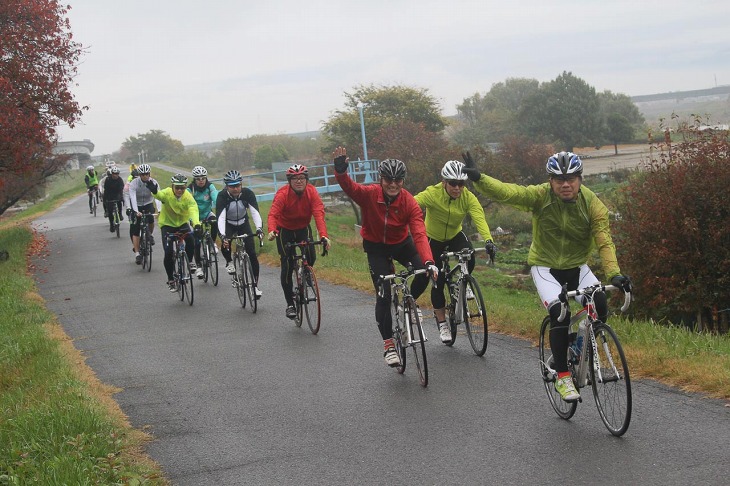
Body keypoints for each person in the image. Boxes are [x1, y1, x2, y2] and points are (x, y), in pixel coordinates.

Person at [461, 150, 632, 402]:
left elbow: (604, 241)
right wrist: (480, 179)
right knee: (559, 313)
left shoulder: (593, 204)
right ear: (550, 181)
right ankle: (563, 376)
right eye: (559, 179)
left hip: (577, 266)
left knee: (600, 305)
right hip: (545, 267)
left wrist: (614, 274)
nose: (565, 184)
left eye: (571, 178)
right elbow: (509, 192)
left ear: (580, 179)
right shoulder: (541, 196)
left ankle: (576, 347)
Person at [333, 146, 438, 367]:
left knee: (423, 273)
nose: (393, 184)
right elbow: (350, 188)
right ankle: (389, 344)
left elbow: (419, 232)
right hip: (376, 247)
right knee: (384, 294)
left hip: (401, 244)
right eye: (388, 179)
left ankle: (409, 304)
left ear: (403, 181)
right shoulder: (370, 194)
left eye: (398, 180)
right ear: (381, 179)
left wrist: (429, 261)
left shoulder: (409, 202)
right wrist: (341, 171)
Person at [411, 160, 497, 343]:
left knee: (470, 254)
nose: (457, 188)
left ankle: (463, 283)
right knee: (437, 280)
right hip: (433, 238)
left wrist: (489, 240)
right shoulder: (432, 193)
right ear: (444, 182)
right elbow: (411, 205)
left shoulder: (468, 197)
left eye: (461, 184)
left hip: (454, 234)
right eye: (453, 183)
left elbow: (479, 217)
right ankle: (442, 324)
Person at [267, 164, 331, 319]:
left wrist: (323, 235)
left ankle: (307, 273)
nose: (298, 181)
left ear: (306, 180)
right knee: (287, 265)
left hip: (303, 228)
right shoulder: (283, 194)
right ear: (289, 181)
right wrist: (272, 230)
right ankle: (290, 304)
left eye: (302, 178)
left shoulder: (312, 192)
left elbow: (318, 213)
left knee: (311, 255)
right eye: (294, 179)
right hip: (285, 230)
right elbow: (273, 214)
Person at [148, 173, 201, 291]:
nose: (180, 190)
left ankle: (190, 261)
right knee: (168, 253)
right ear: (172, 186)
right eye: (177, 187)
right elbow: (159, 195)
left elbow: (193, 209)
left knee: (191, 240)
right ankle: (171, 279)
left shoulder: (188, 196)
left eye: (182, 187)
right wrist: (154, 191)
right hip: (167, 225)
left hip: (182, 223)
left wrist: (196, 224)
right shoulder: (167, 193)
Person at [216, 169, 264, 298]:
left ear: (241, 184)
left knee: (252, 255)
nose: (236, 189)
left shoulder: (248, 194)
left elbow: (255, 212)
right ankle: (229, 261)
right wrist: (223, 235)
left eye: (238, 185)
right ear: (227, 186)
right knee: (226, 242)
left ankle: (255, 286)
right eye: (232, 186)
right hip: (228, 223)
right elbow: (220, 218)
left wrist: (259, 228)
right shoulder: (222, 196)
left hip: (243, 222)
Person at [187, 166, 219, 279]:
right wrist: (193, 220)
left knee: (215, 222)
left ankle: (213, 243)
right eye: (198, 178)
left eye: (203, 178)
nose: (201, 180)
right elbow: (187, 202)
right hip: (195, 216)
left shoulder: (210, 186)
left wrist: (219, 205)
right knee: (197, 239)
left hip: (207, 213)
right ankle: (199, 266)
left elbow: (215, 197)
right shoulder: (190, 189)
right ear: (194, 180)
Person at [128, 163, 159, 264]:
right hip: (137, 204)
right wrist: (136, 211)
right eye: (143, 174)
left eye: (147, 174)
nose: (145, 176)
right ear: (140, 175)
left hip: (148, 203)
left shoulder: (154, 182)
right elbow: (132, 197)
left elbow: (158, 196)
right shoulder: (134, 183)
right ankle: (137, 254)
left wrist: (159, 210)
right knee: (136, 228)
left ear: (149, 174)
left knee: (150, 219)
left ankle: (149, 234)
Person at [102, 166, 125, 232]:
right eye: (114, 173)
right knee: (110, 211)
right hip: (109, 194)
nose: (116, 175)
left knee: (119, 202)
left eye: (117, 173)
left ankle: (120, 214)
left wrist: (121, 197)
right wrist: (106, 199)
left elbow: (121, 189)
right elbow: (106, 190)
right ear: (112, 173)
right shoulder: (108, 179)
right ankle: (111, 225)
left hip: (117, 193)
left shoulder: (120, 179)